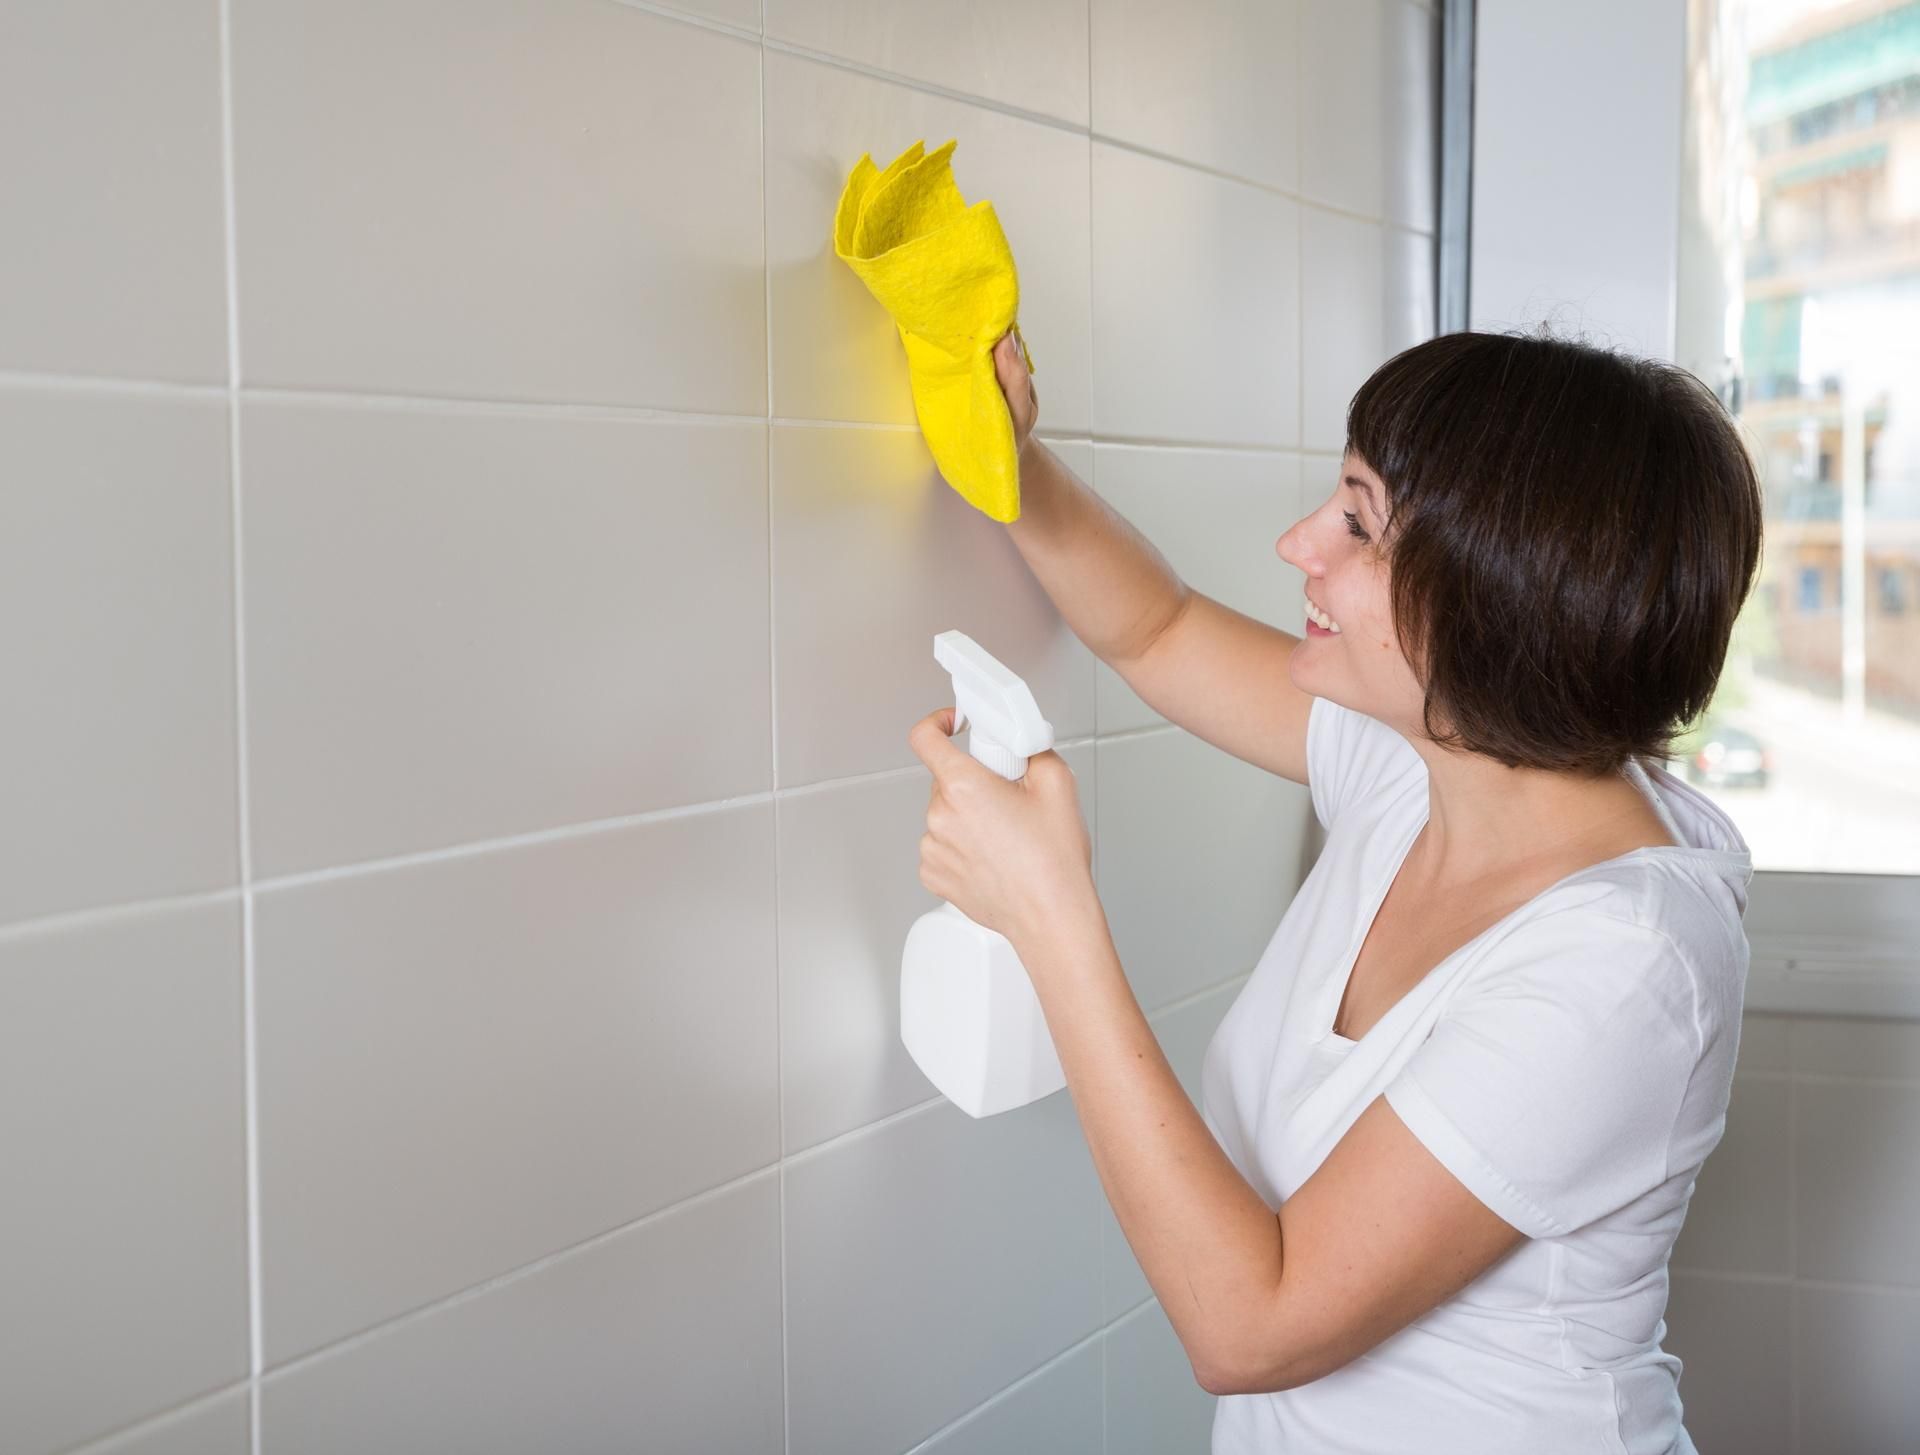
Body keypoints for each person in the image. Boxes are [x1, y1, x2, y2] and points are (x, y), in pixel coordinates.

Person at [906, 325, 1764, 1454]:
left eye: (1358, 522)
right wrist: (1008, 460)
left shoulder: (1626, 969)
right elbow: (1158, 631)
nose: (1298, 542)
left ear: (1503, 595)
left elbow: (1251, 1327)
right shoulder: (1433, 764)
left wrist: (1049, 916)